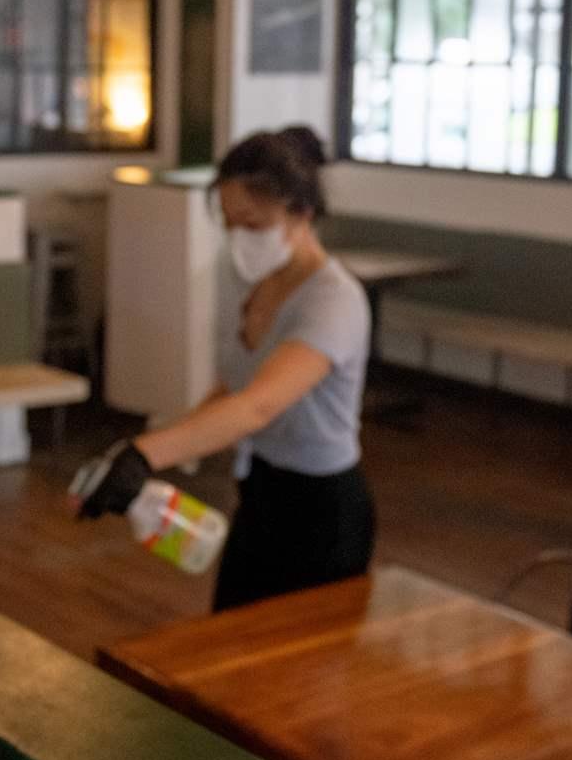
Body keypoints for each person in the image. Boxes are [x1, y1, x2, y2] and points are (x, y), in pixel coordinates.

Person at [73, 126, 375, 611]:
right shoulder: (256, 285)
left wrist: (145, 454)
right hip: (261, 493)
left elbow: (258, 405)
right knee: (234, 640)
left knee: (306, 671)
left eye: (254, 226)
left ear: (302, 213)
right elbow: (232, 389)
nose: (240, 240)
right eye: (231, 225)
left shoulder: (334, 301)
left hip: (323, 508)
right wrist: (136, 456)